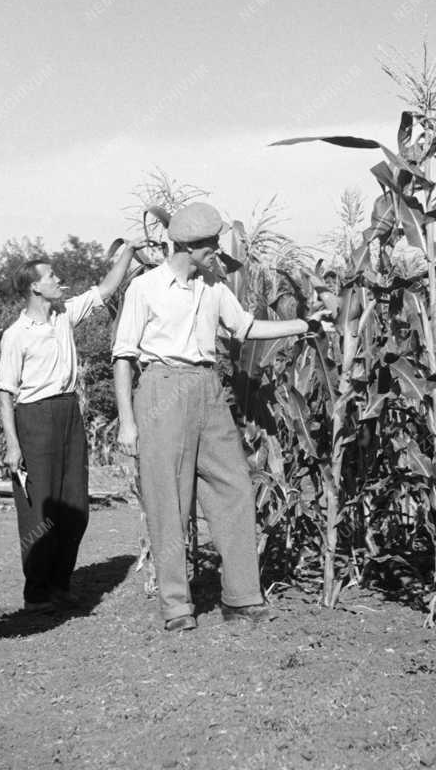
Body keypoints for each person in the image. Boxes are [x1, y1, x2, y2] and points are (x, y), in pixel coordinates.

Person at [112, 203, 326, 632]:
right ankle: (176, 606)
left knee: (235, 486)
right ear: (188, 246)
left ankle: (241, 597)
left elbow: (245, 327)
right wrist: (127, 421)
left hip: (208, 388)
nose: (217, 251)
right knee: (168, 499)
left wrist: (304, 325)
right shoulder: (146, 288)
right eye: (210, 244)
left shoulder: (213, 286)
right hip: (161, 387)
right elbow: (123, 356)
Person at [0, 242, 140, 613]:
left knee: (75, 505)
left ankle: (60, 583)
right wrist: (13, 445)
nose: (60, 280)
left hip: (68, 413)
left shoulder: (64, 315)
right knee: (38, 509)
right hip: (33, 419)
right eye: (52, 276)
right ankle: (37, 592)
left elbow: (106, 288)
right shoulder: (16, 335)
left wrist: (131, 251)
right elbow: (4, 394)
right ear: (35, 288)